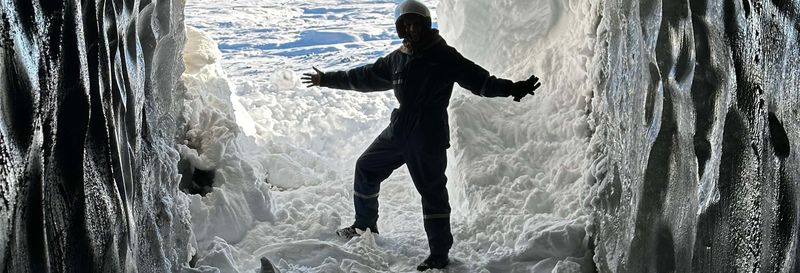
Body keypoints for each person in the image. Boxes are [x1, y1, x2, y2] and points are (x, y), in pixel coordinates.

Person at [301, 0, 541, 271]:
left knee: (432, 192)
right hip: (399, 129)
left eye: (416, 23)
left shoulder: (444, 55)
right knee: (366, 167)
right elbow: (364, 76)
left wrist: (512, 88)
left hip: (428, 133)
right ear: (400, 28)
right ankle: (364, 225)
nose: (411, 29)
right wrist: (326, 79)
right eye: (406, 24)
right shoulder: (397, 58)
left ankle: (439, 253)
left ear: (426, 25)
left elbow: (481, 81)